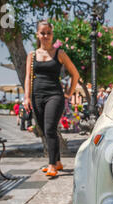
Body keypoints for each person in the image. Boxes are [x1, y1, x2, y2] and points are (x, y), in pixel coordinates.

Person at [24, 20, 80, 177]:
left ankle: (51, 165)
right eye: (42, 33)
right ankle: (58, 162)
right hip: (36, 96)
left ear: (52, 35)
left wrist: (69, 93)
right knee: (45, 130)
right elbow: (28, 77)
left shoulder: (59, 54)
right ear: (37, 34)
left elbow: (75, 74)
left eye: (48, 33)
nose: (46, 36)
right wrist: (26, 97)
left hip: (55, 95)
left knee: (49, 129)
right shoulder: (32, 55)